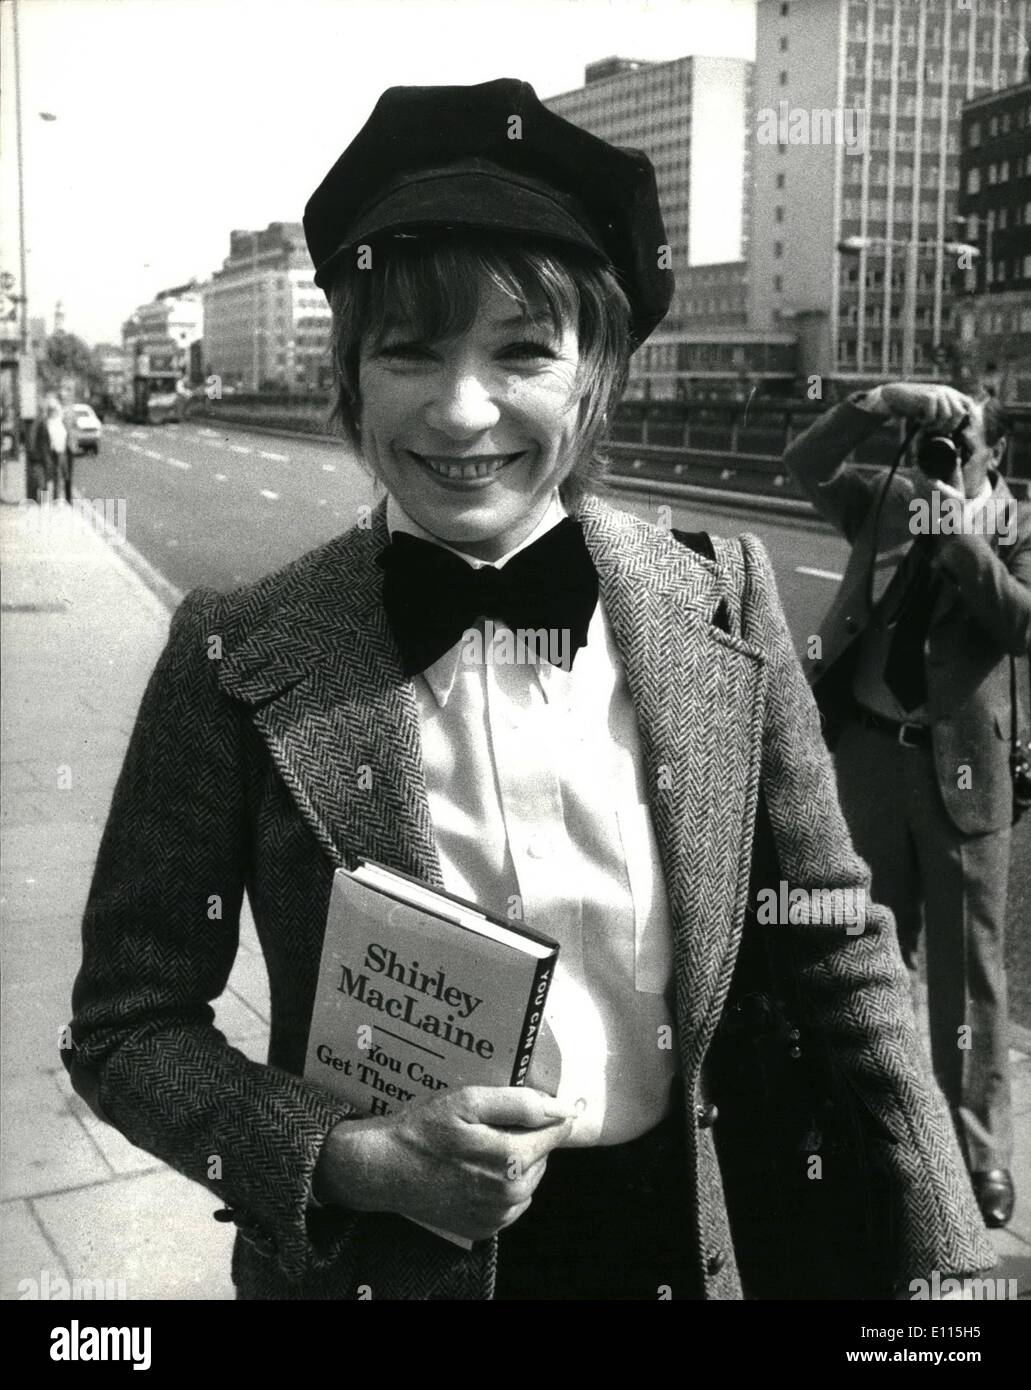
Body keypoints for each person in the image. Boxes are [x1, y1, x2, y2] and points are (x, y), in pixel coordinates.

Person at [63, 79, 995, 1300]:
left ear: (595, 372)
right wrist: (349, 1157)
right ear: (349, 371)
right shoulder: (232, 652)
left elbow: (837, 942)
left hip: (693, 1242)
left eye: (520, 351)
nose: (461, 411)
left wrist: (952, 1260)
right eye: (409, 350)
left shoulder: (723, 599)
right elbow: (129, 1027)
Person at [785, 380, 1031, 1230]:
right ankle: (874, 1132)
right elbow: (805, 461)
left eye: (962, 443)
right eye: (940, 439)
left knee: (969, 980)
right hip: (869, 759)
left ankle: (974, 1156)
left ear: (995, 455)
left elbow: (1023, 623)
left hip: (966, 774)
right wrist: (878, 404)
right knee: (862, 956)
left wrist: (961, 540)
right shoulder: (885, 500)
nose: (944, 456)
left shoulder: (1019, 525)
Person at [29, 393, 73, 503]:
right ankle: (44, 502)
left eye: (55, 409)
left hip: (58, 453)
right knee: (44, 480)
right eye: (51, 409)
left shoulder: (59, 422)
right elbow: (41, 441)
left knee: (57, 477)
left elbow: (65, 437)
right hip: (46, 454)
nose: (53, 411)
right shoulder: (44, 423)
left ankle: (55, 500)